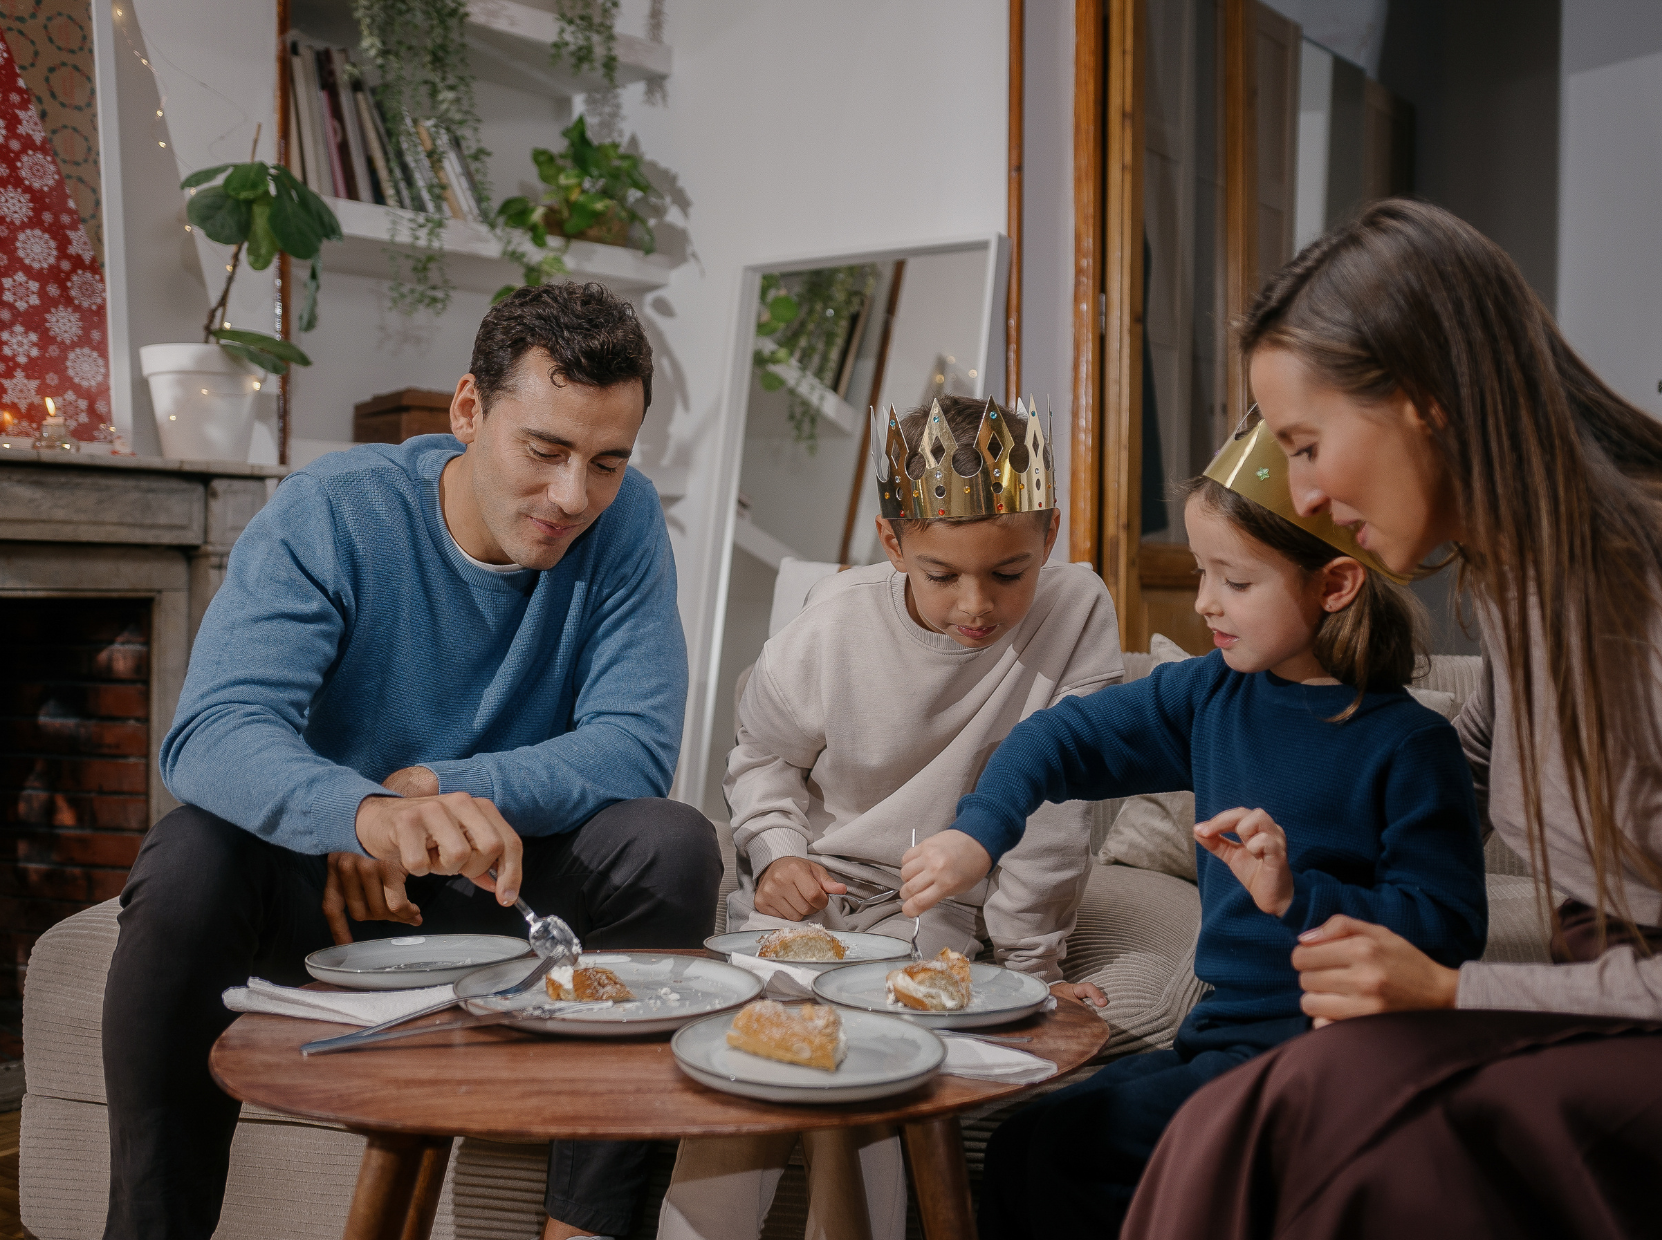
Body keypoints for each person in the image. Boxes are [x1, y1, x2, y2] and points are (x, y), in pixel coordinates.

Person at [1119, 199, 1662, 1240]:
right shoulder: (1521, 588)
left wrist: (1455, 992)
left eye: (1308, 446)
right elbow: (1447, 765)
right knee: (1235, 1113)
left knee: (1355, 1131)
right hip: (1610, 1006)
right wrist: (1292, 828)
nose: (1305, 495)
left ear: (1423, 402)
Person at [102, 283, 722, 1240]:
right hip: (337, 888)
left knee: (671, 843)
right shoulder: (332, 513)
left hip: (502, 884)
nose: (573, 497)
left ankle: (589, 1230)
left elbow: (635, 741)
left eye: (607, 462)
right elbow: (214, 730)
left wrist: (436, 788)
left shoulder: (625, 520)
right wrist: (362, 815)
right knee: (187, 856)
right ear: (469, 410)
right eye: (545, 451)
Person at [900, 414, 1488, 1240]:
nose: (1205, 599)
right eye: (1203, 570)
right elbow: (1054, 738)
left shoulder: (1408, 745)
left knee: (1074, 1150)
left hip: (1331, 1058)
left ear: (1336, 585)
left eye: (1236, 581)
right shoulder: (1211, 695)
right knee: (1021, 1140)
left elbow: (1451, 931)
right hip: (1221, 1042)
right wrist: (979, 834)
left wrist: (1299, 896)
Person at [655, 396, 1119, 1240]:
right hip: (814, 892)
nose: (975, 604)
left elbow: (1060, 813)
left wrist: (1033, 967)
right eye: (941, 574)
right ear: (894, 542)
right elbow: (762, 756)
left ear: (1049, 536)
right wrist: (776, 851)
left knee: (875, 1062)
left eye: (1009, 572)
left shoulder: (1079, 610)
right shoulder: (831, 626)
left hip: (937, 902)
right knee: (747, 1054)